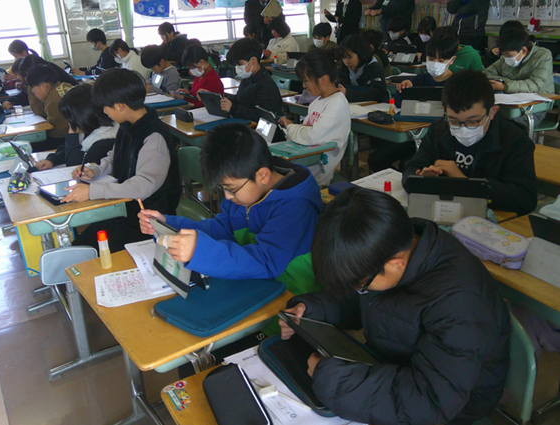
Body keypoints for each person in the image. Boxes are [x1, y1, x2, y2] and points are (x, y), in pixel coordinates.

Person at [280, 186, 510, 424]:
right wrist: (311, 311)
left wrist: (330, 378)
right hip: (395, 368)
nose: (358, 290)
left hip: (452, 403)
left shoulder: (460, 305)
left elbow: (429, 402)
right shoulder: (391, 243)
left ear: (395, 264)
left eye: (360, 285)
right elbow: (361, 295)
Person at [137, 123, 323, 309]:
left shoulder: (297, 207)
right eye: (224, 189)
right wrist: (169, 225)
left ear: (262, 176)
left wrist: (201, 252)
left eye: (232, 189)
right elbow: (222, 228)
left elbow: (266, 262)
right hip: (253, 283)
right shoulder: (245, 189)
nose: (227, 197)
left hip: (291, 297)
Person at [62, 68, 181, 253]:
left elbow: (142, 186)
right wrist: (96, 170)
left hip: (148, 222)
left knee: (93, 253)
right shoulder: (127, 126)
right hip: (124, 209)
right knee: (81, 247)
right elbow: (114, 156)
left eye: (105, 107)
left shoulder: (153, 136)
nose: (104, 111)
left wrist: (92, 191)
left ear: (119, 106)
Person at [403, 70, 538, 216]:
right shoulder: (438, 130)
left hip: (489, 219)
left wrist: (464, 182)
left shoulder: (515, 141)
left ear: (492, 112)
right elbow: (411, 170)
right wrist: (422, 180)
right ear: (444, 110)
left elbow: (525, 199)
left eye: (473, 121)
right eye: (454, 121)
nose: (463, 128)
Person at [368, 31, 458, 174]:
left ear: (452, 60)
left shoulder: (457, 84)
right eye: (431, 59)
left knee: (407, 165)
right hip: (413, 136)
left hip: (440, 141)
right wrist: (403, 88)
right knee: (375, 159)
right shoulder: (419, 79)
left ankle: (405, 180)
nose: (435, 63)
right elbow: (399, 105)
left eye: (441, 61)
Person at [278, 49, 351, 186]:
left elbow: (312, 136)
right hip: (305, 160)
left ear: (324, 79)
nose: (304, 86)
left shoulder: (337, 104)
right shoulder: (317, 101)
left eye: (306, 81)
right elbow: (306, 130)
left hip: (316, 171)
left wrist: (290, 126)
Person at [35, 84, 118, 170]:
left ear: (83, 116)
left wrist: (72, 136)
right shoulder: (90, 127)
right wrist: (52, 160)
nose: (69, 123)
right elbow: (67, 149)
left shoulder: (107, 139)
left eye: (71, 118)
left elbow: (75, 164)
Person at [484, 27, 554, 128]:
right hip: (509, 105)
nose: (506, 59)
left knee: (500, 123)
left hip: (535, 109)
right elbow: (486, 74)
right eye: (503, 55)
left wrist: (504, 86)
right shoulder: (505, 58)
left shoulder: (543, 56)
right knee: (484, 117)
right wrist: (504, 83)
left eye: (509, 55)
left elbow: (534, 84)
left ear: (524, 50)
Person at [223, 38, 282, 122]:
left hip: (256, 128)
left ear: (253, 61)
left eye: (239, 64)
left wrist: (233, 108)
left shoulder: (266, 85)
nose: (237, 68)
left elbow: (263, 116)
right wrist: (226, 102)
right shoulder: (247, 79)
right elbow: (241, 100)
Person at [25, 64, 74, 151]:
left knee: (29, 146)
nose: (32, 91)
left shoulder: (53, 101)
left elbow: (56, 133)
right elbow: (40, 111)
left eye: (33, 87)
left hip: (65, 140)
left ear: (44, 86)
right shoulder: (64, 85)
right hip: (78, 134)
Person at [337, 34, 389, 103]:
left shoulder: (374, 68)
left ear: (360, 54)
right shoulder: (344, 68)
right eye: (343, 57)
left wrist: (348, 93)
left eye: (349, 57)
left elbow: (378, 93)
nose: (346, 61)